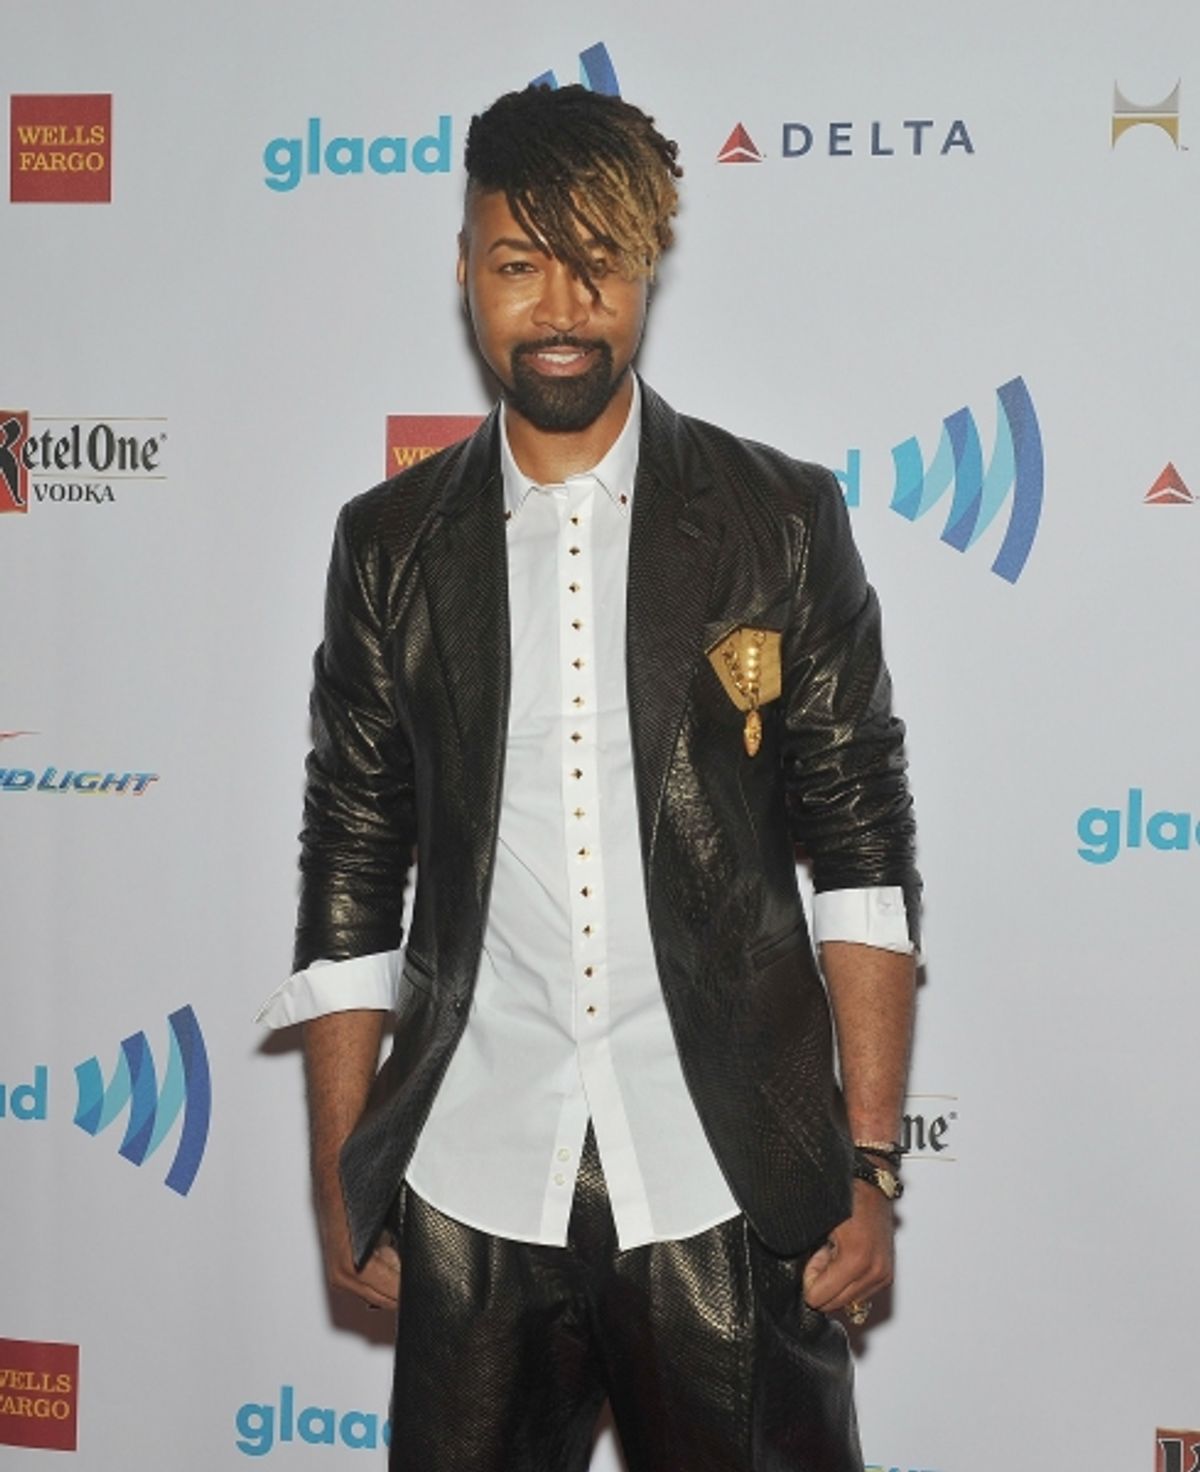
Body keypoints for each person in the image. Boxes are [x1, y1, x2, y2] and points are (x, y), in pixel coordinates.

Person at [259, 82, 920, 1472]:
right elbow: (350, 873)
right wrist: (345, 1185)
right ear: (464, 275)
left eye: (597, 263)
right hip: (470, 1181)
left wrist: (868, 1163)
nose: (560, 306)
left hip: (728, 1180)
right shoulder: (387, 546)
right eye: (518, 264)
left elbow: (860, 855)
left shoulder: (779, 521)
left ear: (646, 271)